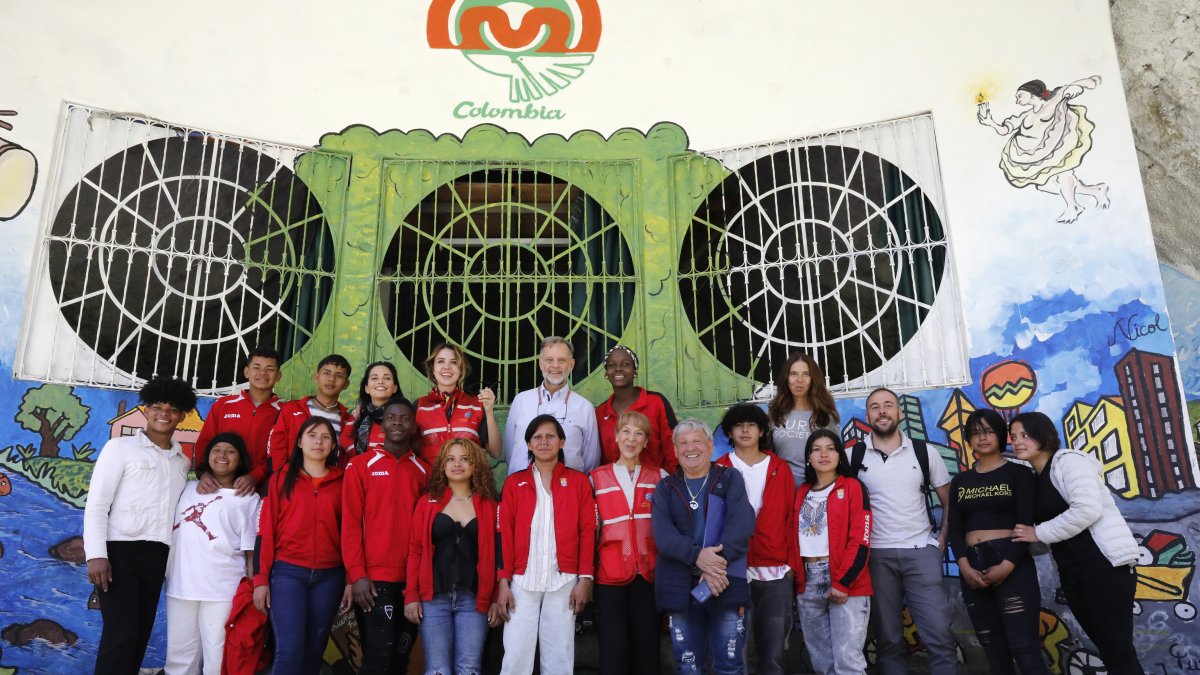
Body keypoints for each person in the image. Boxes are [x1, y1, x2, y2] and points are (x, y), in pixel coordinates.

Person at [1010, 412, 1143, 674]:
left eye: (1025, 435)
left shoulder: (1068, 462)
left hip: (1104, 564)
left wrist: (1037, 533)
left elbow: (1087, 509)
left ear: (1043, 435)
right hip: (1073, 571)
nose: (1017, 442)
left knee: (1118, 650)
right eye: (1013, 437)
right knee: (1107, 648)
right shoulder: (1036, 477)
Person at [84, 376, 198, 675]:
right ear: (146, 410)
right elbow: (97, 504)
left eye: (172, 409)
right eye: (157, 406)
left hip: (158, 557)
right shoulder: (119, 448)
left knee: (139, 634)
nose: (164, 413)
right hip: (119, 553)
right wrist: (97, 555)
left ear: (182, 416)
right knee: (120, 635)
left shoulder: (181, 463)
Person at [850, 387, 956, 675]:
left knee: (939, 636)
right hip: (875, 557)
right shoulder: (852, 456)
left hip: (921, 552)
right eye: (875, 407)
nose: (882, 411)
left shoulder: (924, 452)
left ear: (898, 412)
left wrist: (941, 540)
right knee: (888, 640)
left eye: (888, 405)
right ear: (868, 415)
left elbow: (950, 503)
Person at [948, 409, 1049, 675]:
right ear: (969, 440)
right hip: (971, 567)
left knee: (1024, 648)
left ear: (1001, 436)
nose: (982, 438)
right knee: (993, 650)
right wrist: (964, 567)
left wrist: (1007, 565)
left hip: (1011, 562)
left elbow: (1025, 524)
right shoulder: (960, 481)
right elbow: (955, 530)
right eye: (975, 433)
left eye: (988, 431)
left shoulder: (1020, 474)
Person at [652, 419, 755, 675]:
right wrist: (698, 556)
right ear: (675, 451)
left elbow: (741, 524)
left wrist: (714, 567)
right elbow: (664, 537)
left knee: (730, 666)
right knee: (688, 667)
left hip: (725, 582)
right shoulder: (665, 488)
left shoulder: (730, 478)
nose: (690, 448)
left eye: (697, 441)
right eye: (683, 443)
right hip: (681, 588)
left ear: (710, 446)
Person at [496, 415, 597, 675]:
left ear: (562, 442)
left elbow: (588, 531)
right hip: (521, 579)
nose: (544, 442)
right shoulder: (514, 484)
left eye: (550, 436)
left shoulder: (578, 482)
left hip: (564, 580)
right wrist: (503, 582)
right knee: (516, 653)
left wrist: (585, 579)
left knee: (560, 655)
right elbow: (503, 534)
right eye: (537, 437)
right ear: (528, 444)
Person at [253, 417, 349, 675]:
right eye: (312, 435)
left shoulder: (343, 482)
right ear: (299, 442)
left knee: (313, 651)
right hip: (288, 573)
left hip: (330, 576)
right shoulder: (280, 479)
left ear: (333, 446)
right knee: (290, 650)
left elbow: (351, 533)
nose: (318, 441)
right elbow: (265, 532)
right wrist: (261, 579)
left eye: (326, 437)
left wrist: (351, 577)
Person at [342, 397, 430, 674]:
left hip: (413, 582)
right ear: (382, 424)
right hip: (373, 581)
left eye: (404, 418)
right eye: (391, 417)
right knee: (378, 656)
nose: (397, 423)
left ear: (414, 426)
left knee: (400, 659)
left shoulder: (425, 471)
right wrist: (357, 575)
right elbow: (351, 524)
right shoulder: (359, 466)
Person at [165, 433, 261, 675]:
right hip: (181, 585)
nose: (222, 456)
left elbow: (250, 552)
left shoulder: (249, 498)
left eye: (230, 451)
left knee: (216, 658)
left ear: (240, 460)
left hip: (222, 589)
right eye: (217, 450)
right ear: (207, 457)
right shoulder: (187, 488)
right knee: (179, 657)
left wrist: (252, 587)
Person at [405, 438, 501, 675]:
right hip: (433, 599)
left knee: (469, 668)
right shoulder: (427, 503)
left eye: (464, 459)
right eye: (451, 459)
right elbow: (415, 551)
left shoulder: (489, 505)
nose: (457, 464)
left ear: (475, 465)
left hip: (474, 600)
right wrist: (411, 596)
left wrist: (496, 598)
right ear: (442, 466)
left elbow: (500, 554)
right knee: (437, 669)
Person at [714, 404, 794, 675]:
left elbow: (790, 518)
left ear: (762, 431)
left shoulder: (779, 468)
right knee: (734, 650)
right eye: (739, 425)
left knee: (773, 653)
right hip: (733, 568)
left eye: (751, 424)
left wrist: (791, 566)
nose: (745, 429)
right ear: (730, 431)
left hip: (775, 568)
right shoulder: (720, 468)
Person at [788, 429, 872, 675]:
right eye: (816, 449)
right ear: (808, 458)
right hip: (808, 580)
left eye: (831, 448)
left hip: (844, 580)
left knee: (848, 662)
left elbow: (861, 538)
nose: (824, 454)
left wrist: (844, 581)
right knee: (822, 663)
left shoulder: (853, 487)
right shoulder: (801, 492)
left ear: (839, 455)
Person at [590, 411, 666, 675]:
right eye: (626, 432)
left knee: (647, 649)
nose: (631, 439)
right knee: (613, 651)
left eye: (639, 434)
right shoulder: (596, 478)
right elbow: (590, 530)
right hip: (609, 576)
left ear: (646, 442)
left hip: (648, 575)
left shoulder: (660, 477)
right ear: (615, 436)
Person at [977, 76, 1109, 223]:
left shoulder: (1052, 102)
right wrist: (990, 122)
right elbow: (1004, 130)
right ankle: (1096, 190)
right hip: (1036, 154)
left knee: (1064, 175)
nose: (1017, 100)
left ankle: (1073, 206)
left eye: (1019, 96)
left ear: (1032, 94)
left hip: (1059, 145)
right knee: (1047, 186)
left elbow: (1072, 87)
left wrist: (1088, 83)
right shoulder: (1026, 115)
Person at [503, 336, 600, 475]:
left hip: (568, 491)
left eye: (562, 360)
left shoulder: (585, 408)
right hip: (523, 490)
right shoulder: (520, 401)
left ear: (571, 365)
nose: (555, 366)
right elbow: (510, 451)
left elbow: (591, 460)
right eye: (549, 360)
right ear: (541, 363)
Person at [195, 347, 284, 495]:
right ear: (246, 372)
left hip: (263, 491)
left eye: (269, 369)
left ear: (278, 375)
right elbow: (205, 443)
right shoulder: (223, 405)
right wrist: (204, 473)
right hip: (218, 489)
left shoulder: (284, 411)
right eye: (256, 367)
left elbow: (281, 456)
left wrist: (255, 476)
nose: (262, 373)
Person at [413, 342, 501, 464]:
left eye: (453, 362)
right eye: (440, 361)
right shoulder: (419, 405)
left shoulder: (475, 404)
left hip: (468, 481)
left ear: (461, 370)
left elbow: (495, 452)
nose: (447, 367)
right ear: (433, 369)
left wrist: (489, 411)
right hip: (430, 481)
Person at [266, 354, 354, 477]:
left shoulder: (348, 420)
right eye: (327, 373)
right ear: (317, 377)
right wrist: (281, 478)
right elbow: (276, 447)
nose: (331, 379)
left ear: (346, 384)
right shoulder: (291, 409)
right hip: (291, 482)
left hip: (330, 486)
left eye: (339, 376)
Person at [594, 345, 678, 472]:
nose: (618, 369)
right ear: (606, 373)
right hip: (615, 488)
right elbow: (600, 458)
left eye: (625, 364)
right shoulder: (600, 412)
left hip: (656, 487)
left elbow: (672, 447)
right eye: (612, 365)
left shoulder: (656, 402)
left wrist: (670, 484)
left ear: (635, 371)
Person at [768, 353, 840, 487]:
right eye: (794, 373)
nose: (799, 380)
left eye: (806, 374)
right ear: (786, 378)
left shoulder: (826, 416)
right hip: (782, 491)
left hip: (818, 491)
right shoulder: (775, 413)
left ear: (814, 379)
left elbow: (837, 455)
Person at [340, 361, 403, 459]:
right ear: (366, 388)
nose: (380, 381)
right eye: (374, 378)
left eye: (387, 378)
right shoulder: (358, 414)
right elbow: (344, 438)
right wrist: (361, 459)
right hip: (361, 471)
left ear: (395, 387)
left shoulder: (403, 416)